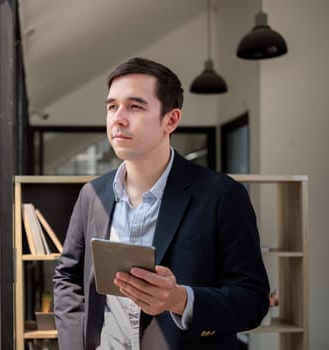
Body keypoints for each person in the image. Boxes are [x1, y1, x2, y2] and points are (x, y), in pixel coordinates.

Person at [52, 57, 270, 350]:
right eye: (112, 106)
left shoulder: (222, 195)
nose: (118, 118)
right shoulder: (93, 194)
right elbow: (68, 277)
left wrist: (180, 299)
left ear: (171, 120)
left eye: (135, 106)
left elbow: (252, 301)